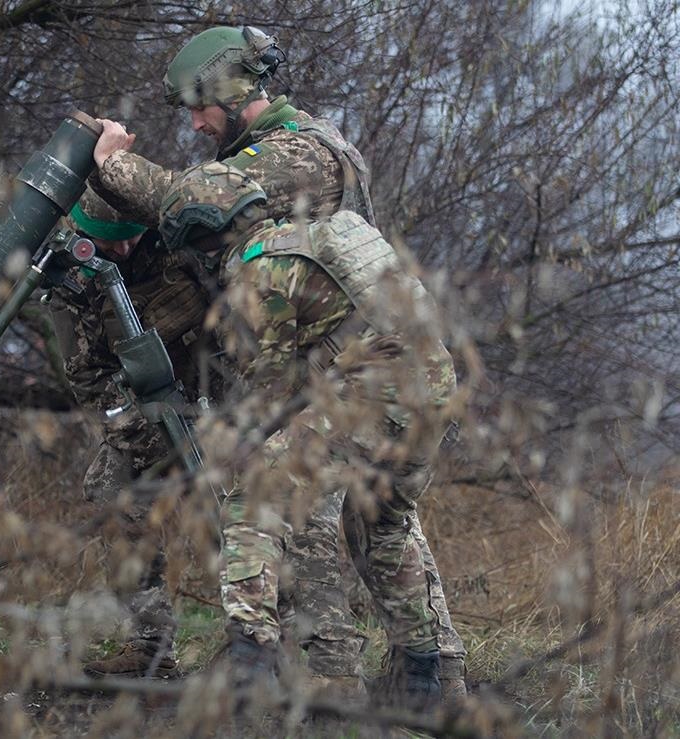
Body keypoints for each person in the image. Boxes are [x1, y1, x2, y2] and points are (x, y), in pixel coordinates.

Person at [88, 25, 466, 703]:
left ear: (236, 92)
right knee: (373, 520)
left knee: (296, 502)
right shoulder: (269, 153)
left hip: (349, 375)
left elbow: (193, 202)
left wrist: (109, 163)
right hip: (366, 371)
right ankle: (423, 678)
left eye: (201, 105)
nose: (197, 123)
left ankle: (325, 678)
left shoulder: (301, 155)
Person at [53, 188, 225, 679]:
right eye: (111, 243)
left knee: (239, 515)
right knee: (114, 494)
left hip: (220, 399)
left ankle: (260, 644)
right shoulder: (74, 280)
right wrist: (141, 427)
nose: (125, 251)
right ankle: (149, 648)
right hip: (144, 413)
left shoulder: (179, 244)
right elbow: (87, 376)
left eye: (131, 238)